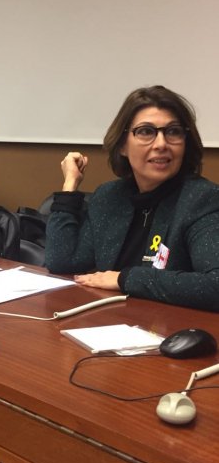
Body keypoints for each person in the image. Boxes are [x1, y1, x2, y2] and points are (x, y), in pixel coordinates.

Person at [45, 85, 219, 311]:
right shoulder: (109, 197)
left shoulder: (201, 199)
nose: (161, 144)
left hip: (170, 327)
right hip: (112, 321)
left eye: (173, 131)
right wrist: (70, 185)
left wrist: (124, 278)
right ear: (122, 145)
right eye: (146, 131)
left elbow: (215, 285)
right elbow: (62, 262)